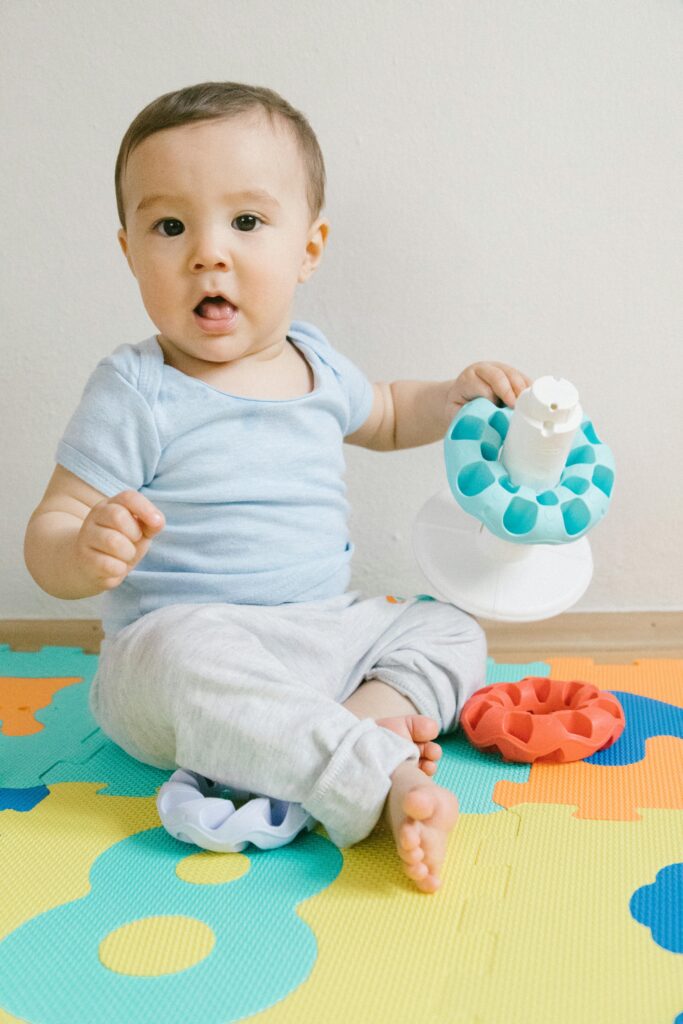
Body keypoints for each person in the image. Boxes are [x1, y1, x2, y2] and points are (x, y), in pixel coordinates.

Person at [24, 82, 531, 894]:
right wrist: (83, 550)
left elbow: (392, 413)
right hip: (183, 649)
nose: (208, 253)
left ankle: (316, 737)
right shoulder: (136, 388)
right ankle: (374, 774)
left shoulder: (316, 361)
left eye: (247, 222)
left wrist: (454, 396)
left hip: (321, 636)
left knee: (448, 630)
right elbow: (52, 531)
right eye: (169, 226)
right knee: (179, 657)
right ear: (129, 252)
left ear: (309, 248)